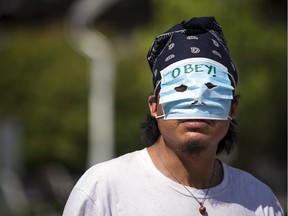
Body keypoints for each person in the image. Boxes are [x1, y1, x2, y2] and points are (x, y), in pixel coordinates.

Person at [63, 16, 284, 216]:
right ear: (154, 106)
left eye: (211, 89)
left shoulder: (259, 201)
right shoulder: (104, 189)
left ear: (232, 109)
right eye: (180, 89)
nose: (196, 101)